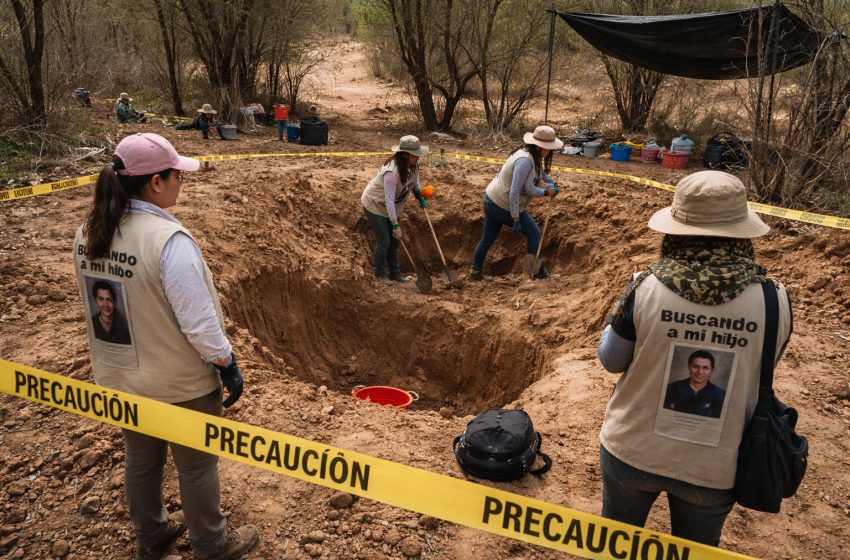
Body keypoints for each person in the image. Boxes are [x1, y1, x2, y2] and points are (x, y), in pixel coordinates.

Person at [73, 133, 259, 560]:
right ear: (155, 182)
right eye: (177, 174)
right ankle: (211, 544)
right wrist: (226, 363)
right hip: (180, 384)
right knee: (196, 467)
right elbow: (199, 324)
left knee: (140, 459)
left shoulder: (88, 232)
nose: (181, 181)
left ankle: (152, 535)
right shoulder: (168, 242)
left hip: (122, 375)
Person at [595, 171, 793, 546]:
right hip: (714, 468)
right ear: (742, 234)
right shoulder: (774, 300)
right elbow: (761, 368)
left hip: (633, 451)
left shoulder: (645, 285)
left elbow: (611, 359)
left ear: (676, 230)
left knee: (613, 548)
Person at [470, 125, 562, 282]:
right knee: (534, 234)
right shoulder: (525, 161)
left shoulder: (532, 155)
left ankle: (474, 274)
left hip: (491, 199)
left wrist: (550, 183)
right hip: (502, 204)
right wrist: (516, 217)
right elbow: (520, 190)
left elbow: (538, 176)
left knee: (487, 239)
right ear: (539, 146)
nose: (550, 152)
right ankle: (535, 274)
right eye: (549, 148)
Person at [361, 135, 429, 286]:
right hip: (375, 204)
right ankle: (379, 274)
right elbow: (388, 200)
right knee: (384, 241)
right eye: (414, 154)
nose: (417, 157)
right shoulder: (392, 174)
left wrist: (420, 196)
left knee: (395, 241)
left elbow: (414, 181)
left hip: (391, 206)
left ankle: (395, 273)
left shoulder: (414, 165)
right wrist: (395, 225)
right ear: (405, 154)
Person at [663, 350, 726, 417]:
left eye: (705, 368)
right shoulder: (673, 387)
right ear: (688, 367)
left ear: (712, 370)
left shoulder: (720, 394)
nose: (700, 372)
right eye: (695, 366)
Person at [90, 280, 132, 345]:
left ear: (115, 303)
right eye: (101, 299)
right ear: (95, 301)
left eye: (109, 300)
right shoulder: (91, 323)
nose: (105, 304)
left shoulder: (125, 328)